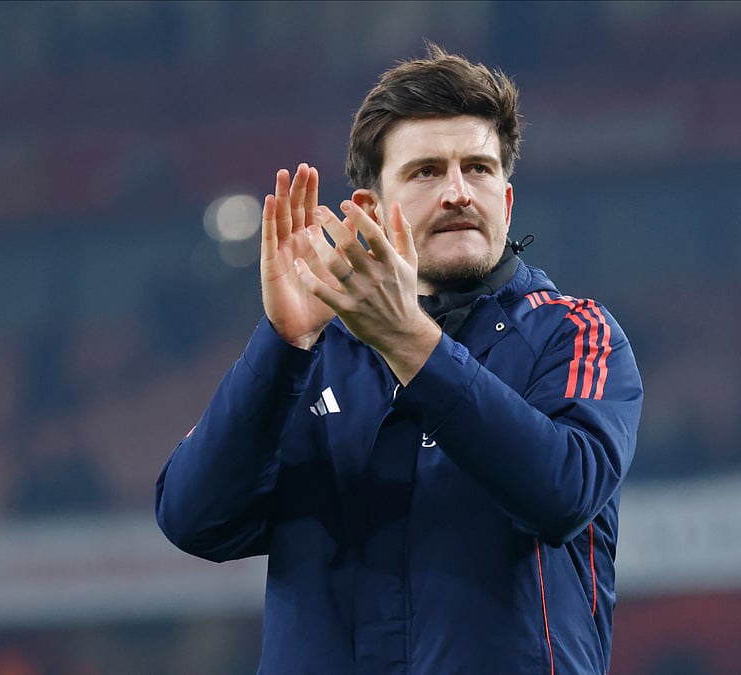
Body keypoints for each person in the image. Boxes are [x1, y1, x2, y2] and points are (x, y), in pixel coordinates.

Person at [155, 44, 643, 674]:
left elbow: (562, 492)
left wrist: (411, 343)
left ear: (508, 201)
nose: (458, 193)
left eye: (479, 169)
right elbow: (194, 520)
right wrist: (283, 343)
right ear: (373, 211)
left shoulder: (575, 335)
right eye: (426, 172)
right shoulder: (310, 363)